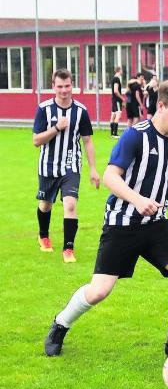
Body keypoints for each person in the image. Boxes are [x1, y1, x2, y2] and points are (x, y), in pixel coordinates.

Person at [43, 79, 168, 358]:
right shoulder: (135, 135)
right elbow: (109, 176)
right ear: (160, 105)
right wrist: (137, 199)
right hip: (122, 224)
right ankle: (60, 324)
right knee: (99, 291)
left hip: (157, 225)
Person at [33, 68, 100, 263]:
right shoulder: (44, 108)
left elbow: (87, 141)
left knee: (70, 204)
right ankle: (44, 235)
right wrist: (56, 128)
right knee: (46, 205)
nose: (64, 90)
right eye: (60, 86)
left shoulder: (81, 111)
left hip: (71, 164)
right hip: (48, 166)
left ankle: (68, 248)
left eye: (67, 86)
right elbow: (36, 141)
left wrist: (93, 169)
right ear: (53, 86)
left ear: (73, 86)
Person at [110, 66, 124, 138]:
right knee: (118, 115)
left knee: (113, 115)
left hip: (114, 99)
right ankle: (115, 134)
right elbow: (116, 91)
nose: (122, 71)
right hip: (117, 100)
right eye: (122, 70)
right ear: (119, 70)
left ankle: (112, 133)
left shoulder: (113, 78)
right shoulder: (116, 79)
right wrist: (122, 98)